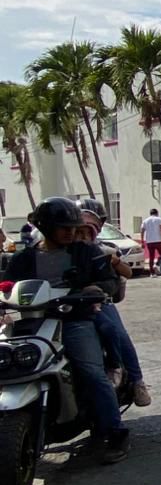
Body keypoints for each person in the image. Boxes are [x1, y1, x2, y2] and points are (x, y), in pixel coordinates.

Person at [6, 197, 130, 462]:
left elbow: (108, 280)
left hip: (75, 320)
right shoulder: (23, 258)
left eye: (72, 227)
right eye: (63, 227)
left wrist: (97, 288)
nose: (70, 232)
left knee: (92, 373)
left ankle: (115, 433)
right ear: (45, 227)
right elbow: (6, 284)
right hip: (30, 324)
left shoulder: (86, 252)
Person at [75, 199, 152, 408]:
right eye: (79, 228)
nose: (83, 235)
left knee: (117, 333)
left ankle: (136, 380)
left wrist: (114, 261)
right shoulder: (64, 250)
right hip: (67, 304)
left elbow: (126, 273)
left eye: (90, 227)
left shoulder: (104, 249)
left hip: (99, 301)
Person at [139, 208, 161, 275]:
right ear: (157, 213)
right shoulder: (159, 219)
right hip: (158, 240)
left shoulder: (145, 221)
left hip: (149, 241)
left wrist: (142, 241)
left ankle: (152, 272)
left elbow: (142, 231)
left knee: (151, 256)